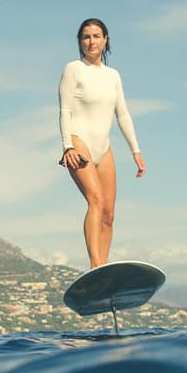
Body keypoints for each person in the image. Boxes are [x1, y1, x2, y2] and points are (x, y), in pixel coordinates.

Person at [59, 18, 146, 269]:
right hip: (79, 141)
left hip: (103, 146)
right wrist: (68, 146)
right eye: (86, 37)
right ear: (80, 42)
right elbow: (65, 110)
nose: (91, 41)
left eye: (96, 36)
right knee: (95, 200)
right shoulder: (73, 69)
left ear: (105, 39)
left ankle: (104, 269)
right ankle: (96, 266)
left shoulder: (113, 76)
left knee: (108, 214)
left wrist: (136, 151)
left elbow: (123, 115)